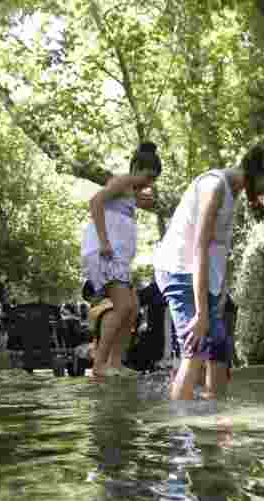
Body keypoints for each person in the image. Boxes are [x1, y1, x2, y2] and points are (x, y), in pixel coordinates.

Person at [154, 139, 264, 401]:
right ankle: (180, 424)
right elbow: (199, 249)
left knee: (219, 347)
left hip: (202, 276)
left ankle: (214, 416)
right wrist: (202, 314)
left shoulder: (235, 191)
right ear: (256, 172)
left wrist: (219, 296)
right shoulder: (214, 186)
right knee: (196, 347)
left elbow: (220, 250)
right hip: (179, 270)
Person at [81, 141, 163, 378]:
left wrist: (143, 198)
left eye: (153, 180)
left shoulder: (131, 191)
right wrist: (105, 242)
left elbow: (139, 200)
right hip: (105, 251)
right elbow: (95, 202)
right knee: (123, 306)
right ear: (136, 167)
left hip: (117, 257)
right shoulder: (122, 181)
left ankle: (115, 363)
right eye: (148, 176)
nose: (149, 183)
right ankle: (99, 366)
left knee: (133, 308)